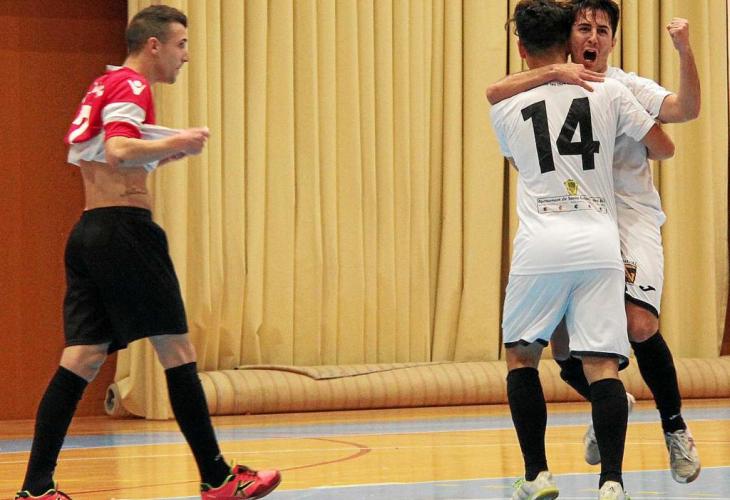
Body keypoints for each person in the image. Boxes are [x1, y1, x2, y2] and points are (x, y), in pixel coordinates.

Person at [15, 5, 281, 500]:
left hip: (90, 232)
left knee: (81, 358)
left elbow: (102, 153)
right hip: (126, 233)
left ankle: (36, 488)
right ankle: (218, 478)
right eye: (181, 45)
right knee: (177, 351)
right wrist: (180, 139)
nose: (186, 56)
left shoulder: (104, 84)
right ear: (153, 45)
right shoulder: (132, 85)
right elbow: (119, 150)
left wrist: (166, 150)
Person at [486, 0, 702, 484]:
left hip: (628, 216)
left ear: (612, 40)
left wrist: (685, 50)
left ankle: (674, 426)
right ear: (568, 39)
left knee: (638, 323)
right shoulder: (544, 86)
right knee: (564, 343)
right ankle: (609, 405)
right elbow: (494, 91)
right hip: (582, 221)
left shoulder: (623, 87)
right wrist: (551, 74)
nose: (592, 37)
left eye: (602, 30)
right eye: (583, 27)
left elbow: (684, 113)